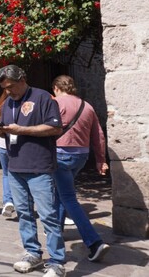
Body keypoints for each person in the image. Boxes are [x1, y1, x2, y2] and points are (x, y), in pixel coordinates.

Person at [0, 65, 66, 277]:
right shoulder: (7, 104)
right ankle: (32, 252)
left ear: (23, 79)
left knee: (48, 215)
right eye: (5, 88)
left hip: (39, 166)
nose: (9, 91)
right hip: (15, 166)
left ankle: (57, 261)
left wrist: (21, 130)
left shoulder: (43, 98)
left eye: (12, 87)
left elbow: (55, 128)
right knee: (24, 213)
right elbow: (8, 132)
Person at [52, 75, 110, 262]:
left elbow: (45, 129)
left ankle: (94, 242)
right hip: (81, 156)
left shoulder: (55, 104)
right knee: (63, 192)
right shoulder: (88, 106)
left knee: (68, 197)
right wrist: (101, 160)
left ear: (56, 88)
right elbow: (98, 135)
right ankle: (57, 230)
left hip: (59, 155)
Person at [0, 92, 16, 219]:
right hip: (18, 145)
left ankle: (8, 201)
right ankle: (22, 203)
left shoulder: (0, 106)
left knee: (6, 174)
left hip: (2, 145)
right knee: (20, 174)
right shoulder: (21, 106)